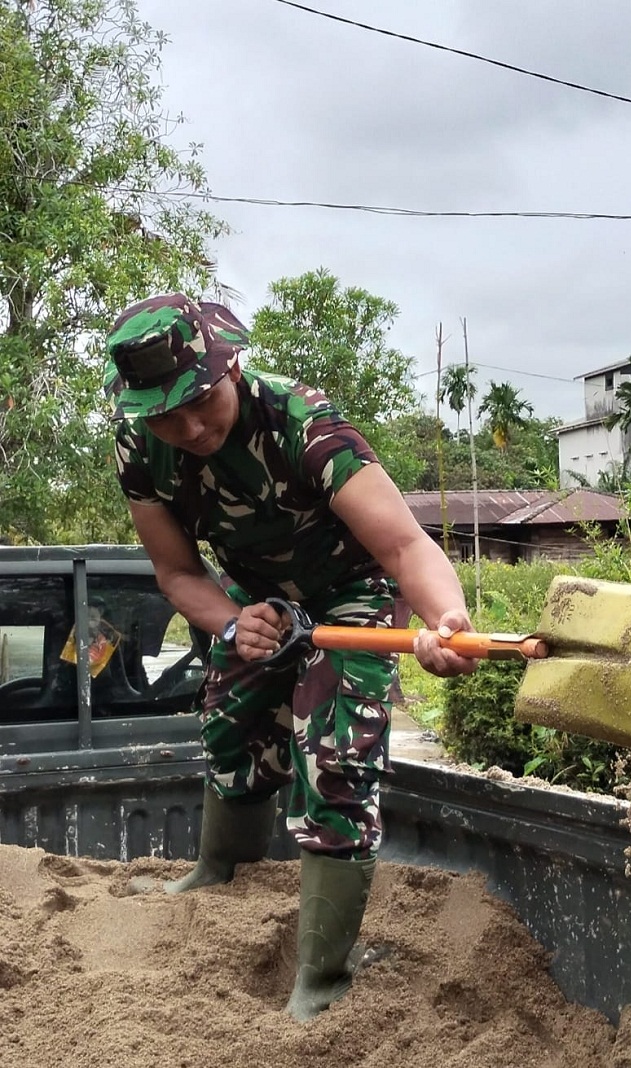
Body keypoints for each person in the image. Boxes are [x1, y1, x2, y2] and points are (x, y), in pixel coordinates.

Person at [103, 292, 478, 1022]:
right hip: (258, 596)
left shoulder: (305, 425)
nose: (187, 427)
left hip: (352, 589)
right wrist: (232, 621)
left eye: (200, 401)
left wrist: (445, 619)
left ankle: (320, 978)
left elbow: (402, 545)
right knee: (228, 726)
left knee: (335, 754)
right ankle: (219, 875)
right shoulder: (139, 447)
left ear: (230, 364)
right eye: (164, 414)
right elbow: (179, 574)